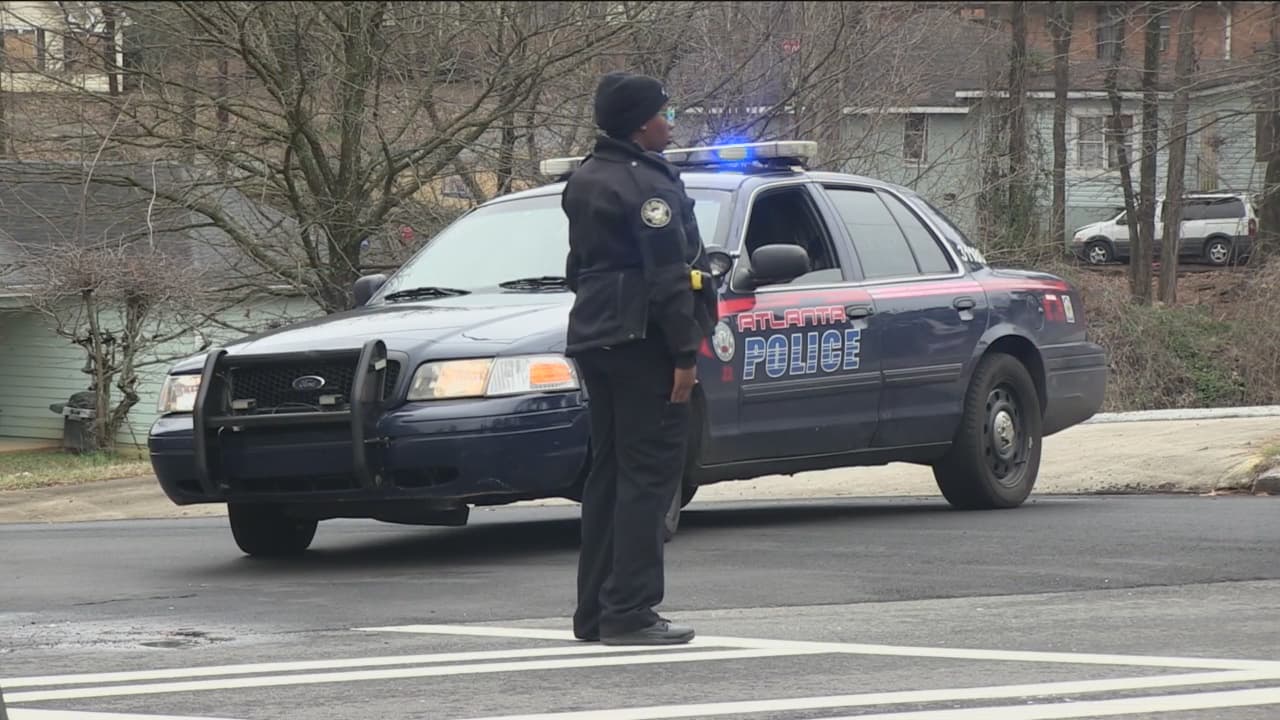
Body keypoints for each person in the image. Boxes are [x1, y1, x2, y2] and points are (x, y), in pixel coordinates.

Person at [561, 72, 718, 646]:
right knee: (648, 477)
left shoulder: (585, 176)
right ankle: (630, 610)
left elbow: (577, 268)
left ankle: (595, 612)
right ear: (638, 123)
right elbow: (668, 277)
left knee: (608, 474)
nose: (671, 123)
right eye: (664, 114)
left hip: (595, 336)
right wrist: (684, 353)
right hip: (644, 341)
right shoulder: (648, 186)